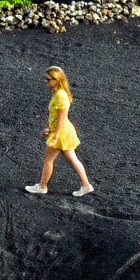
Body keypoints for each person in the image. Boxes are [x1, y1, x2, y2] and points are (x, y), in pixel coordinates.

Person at [25, 67, 94, 197]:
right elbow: (54, 117)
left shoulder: (60, 97)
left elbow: (61, 119)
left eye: (48, 79)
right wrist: (49, 128)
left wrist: (55, 136)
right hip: (63, 132)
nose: (46, 82)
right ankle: (86, 185)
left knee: (48, 160)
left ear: (56, 80)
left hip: (61, 133)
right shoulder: (58, 93)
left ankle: (42, 186)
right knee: (73, 160)